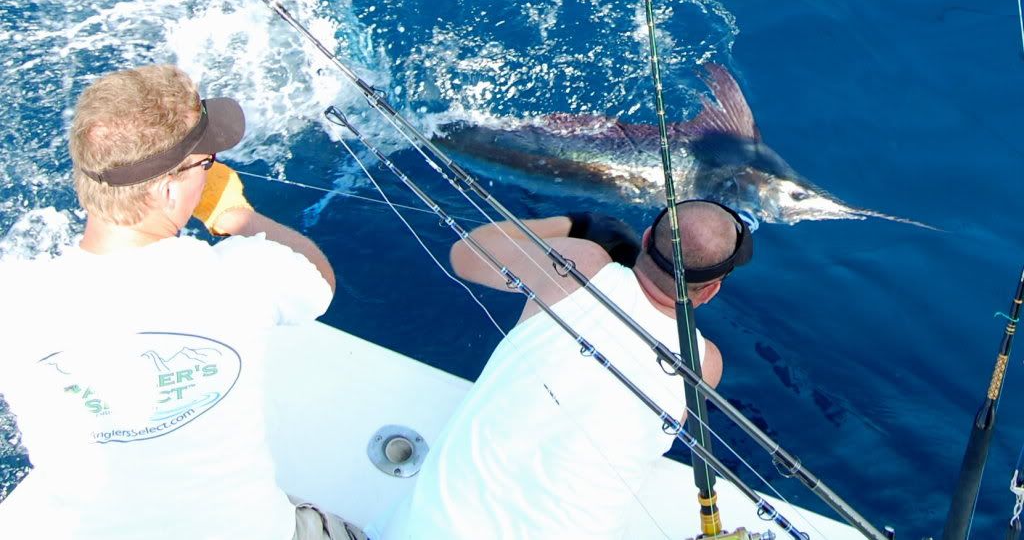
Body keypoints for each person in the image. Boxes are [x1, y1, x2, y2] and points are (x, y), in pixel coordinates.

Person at [0, 64, 361, 540]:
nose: (210, 169)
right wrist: (235, 215)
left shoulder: (15, 297)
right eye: (206, 164)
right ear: (168, 188)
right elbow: (320, 280)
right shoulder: (242, 274)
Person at [373, 200, 752, 540]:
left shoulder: (580, 264)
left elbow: (465, 254)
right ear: (711, 290)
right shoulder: (705, 363)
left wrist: (577, 224)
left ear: (648, 235)